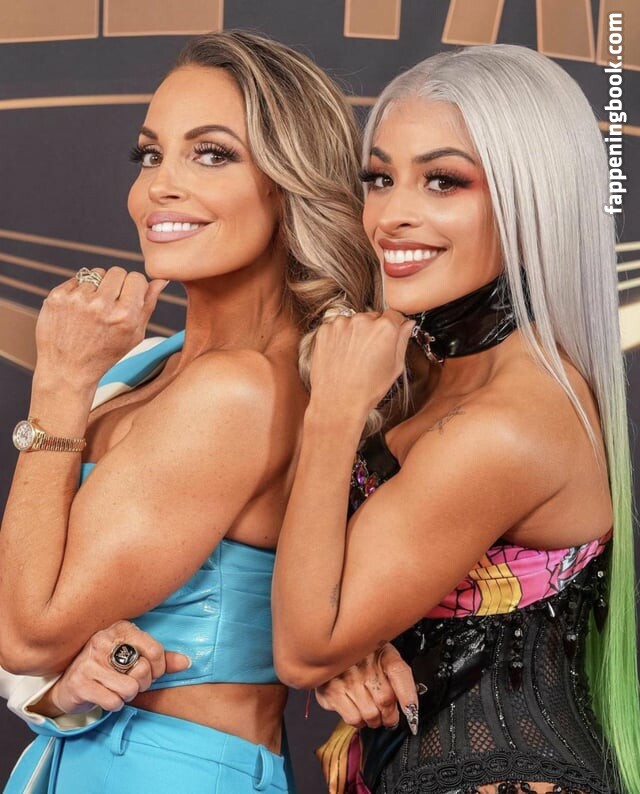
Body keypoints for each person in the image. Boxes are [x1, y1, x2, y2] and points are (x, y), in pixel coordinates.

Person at [0, 30, 380, 793]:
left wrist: (60, 385)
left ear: (288, 183)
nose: (160, 186)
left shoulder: (238, 390)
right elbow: (41, 655)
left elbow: (28, 630)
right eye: (150, 155)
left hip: (169, 771)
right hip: (86, 757)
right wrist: (64, 696)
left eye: (211, 154)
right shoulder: (152, 363)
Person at [271, 45, 640, 793]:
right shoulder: (434, 377)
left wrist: (334, 413)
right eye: (381, 178)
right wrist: (362, 643)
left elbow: (305, 645)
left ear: (531, 200)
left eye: (443, 180)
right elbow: (336, 613)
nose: (391, 215)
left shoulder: (505, 423)